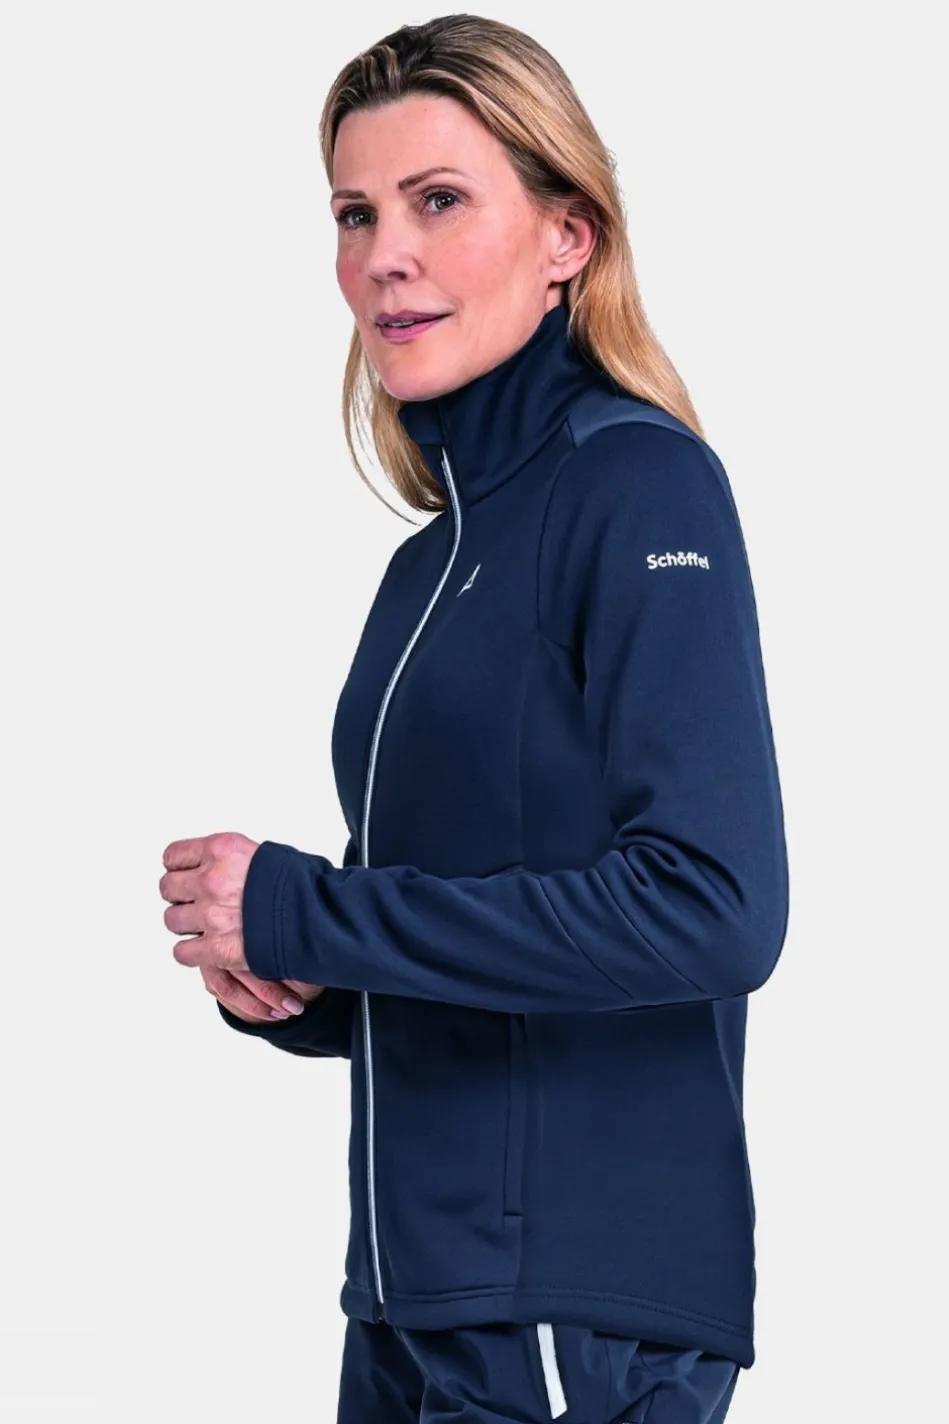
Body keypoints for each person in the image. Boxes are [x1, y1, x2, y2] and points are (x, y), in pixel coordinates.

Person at [160, 16, 789, 1423]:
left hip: (569, 1293)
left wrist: (315, 911)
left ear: (567, 235)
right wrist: (301, 976)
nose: (386, 254)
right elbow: (481, 919)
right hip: (413, 1295)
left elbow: (716, 910)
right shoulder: (433, 560)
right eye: (355, 214)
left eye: (438, 200)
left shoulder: (641, 487)